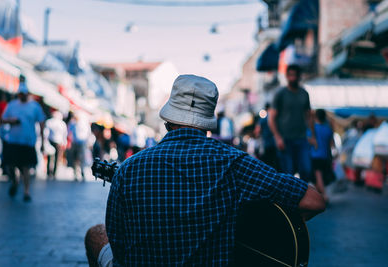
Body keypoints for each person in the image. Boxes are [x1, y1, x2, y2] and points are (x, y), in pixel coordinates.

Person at [85, 74, 325, 267]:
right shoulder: (235, 164)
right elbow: (315, 201)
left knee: (96, 234)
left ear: (168, 119)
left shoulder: (129, 168)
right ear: (208, 120)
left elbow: (119, 244)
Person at [1, 76, 46, 201]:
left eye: (24, 94)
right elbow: (3, 118)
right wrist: (11, 121)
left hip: (27, 141)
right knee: (11, 165)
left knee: (26, 168)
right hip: (13, 140)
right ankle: (15, 182)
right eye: (20, 94)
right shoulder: (12, 105)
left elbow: (41, 123)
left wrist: (42, 141)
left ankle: (26, 192)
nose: (22, 96)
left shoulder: (35, 107)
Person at [268, 64, 313, 181]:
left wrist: (312, 135)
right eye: (290, 75)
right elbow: (271, 118)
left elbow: (309, 116)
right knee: (288, 172)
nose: (293, 78)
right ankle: (289, 199)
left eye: (295, 75)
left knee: (306, 170)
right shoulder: (280, 94)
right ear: (287, 76)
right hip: (285, 139)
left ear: (299, 77)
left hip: (301, 139)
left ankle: (303, 197)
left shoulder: (304, 94)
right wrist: (277, 137)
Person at [308, 109, 335, 202]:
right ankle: (320, 195)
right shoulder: (328, 130)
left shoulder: (313, 129)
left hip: (315, 155)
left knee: (318, 176)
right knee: (320, 177)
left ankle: (324, 196)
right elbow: (332, 144)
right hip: (325, 156)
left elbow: (308, 140)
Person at [256, 103, 279, 170]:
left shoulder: (262, 119)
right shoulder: (275, 117)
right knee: (276, 162)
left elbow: (257, 131)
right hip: (276, 143)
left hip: (267, 143)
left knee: (268, 163)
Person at [45, 111, 67, 179]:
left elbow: (46, 133)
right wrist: (64, 141)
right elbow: (64, 134)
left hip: (51, 140)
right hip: (58, 142)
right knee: (57, 157)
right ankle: (54, 172)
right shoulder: (62, 123)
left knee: (50, 157)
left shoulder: (49, 122)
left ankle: (49, 172)